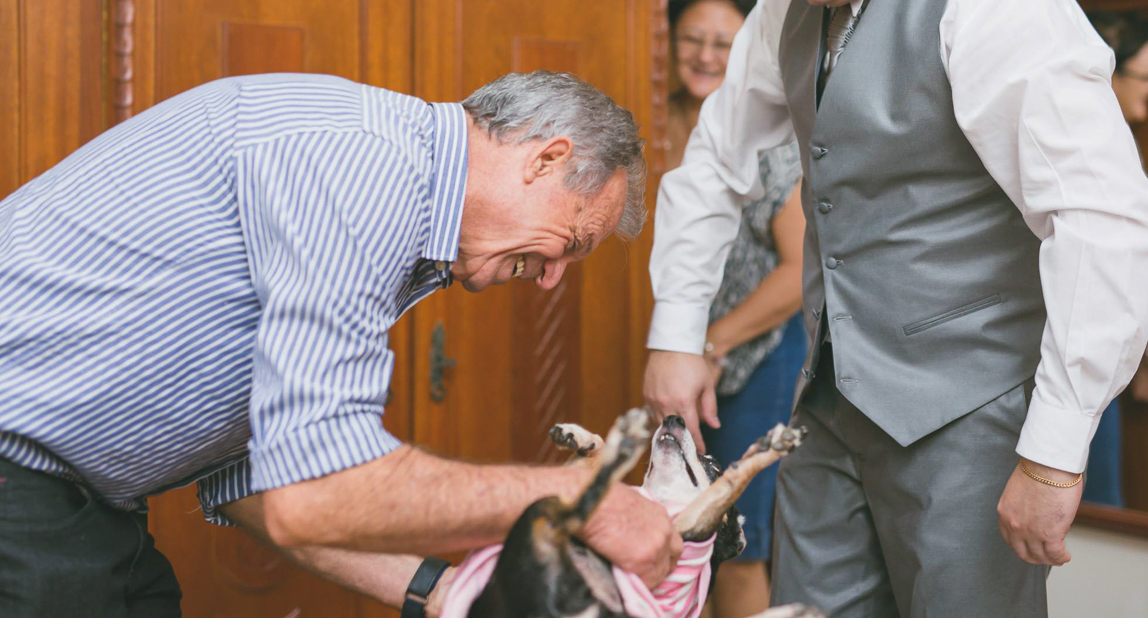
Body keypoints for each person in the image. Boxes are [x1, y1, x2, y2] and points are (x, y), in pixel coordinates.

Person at [642, 0, 1148, 616]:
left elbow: (1105, 223)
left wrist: (1055, 453)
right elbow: (716, 162)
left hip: (969, 419)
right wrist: (677, 334)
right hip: (827, 410)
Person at [0, 71, 681, 616]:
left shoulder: (402, 211)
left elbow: (263, 481)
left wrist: (446, 593)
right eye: (572, 242)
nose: (553, 278)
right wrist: (584, 501)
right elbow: (316, 487)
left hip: (81, 503)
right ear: (546, 160)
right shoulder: (366, 164)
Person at [667, 0, 807, 618]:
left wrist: (710, 344)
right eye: (691, 38)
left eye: (723, 43)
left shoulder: (772, 142)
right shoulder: (662, 124)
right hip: (695, 359)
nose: (704, 55)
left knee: (739, 541)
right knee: (688, 532)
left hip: (760, 358)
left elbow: (798, 271)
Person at [1082, 9, 1148, 507]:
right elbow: (1118, 259)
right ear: (1109, 74)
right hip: (1078, 353)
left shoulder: (1118, 145)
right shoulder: (1089, 150)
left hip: (1103, 351)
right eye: (1146, 75)